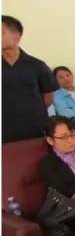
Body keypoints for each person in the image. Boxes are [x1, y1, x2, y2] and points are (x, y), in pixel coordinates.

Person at [2, 15, 58, 143]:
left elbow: (48, 98)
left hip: (34, 128)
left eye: (2, 33)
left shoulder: (37, 65)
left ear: (16, 36)